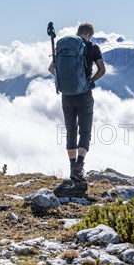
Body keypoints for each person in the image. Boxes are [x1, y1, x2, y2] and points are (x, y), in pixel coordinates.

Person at [48, 22, 106, 181]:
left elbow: (51, 69)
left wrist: (64, 81)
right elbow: (102, 70)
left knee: (71, 131)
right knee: (85, 131)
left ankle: (72, 167)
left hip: (66, 95)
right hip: (84, 95)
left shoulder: (65, 47)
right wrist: (90, 82)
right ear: (90, 34)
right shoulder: (92, 47)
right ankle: (79, 168)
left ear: (78, 32)